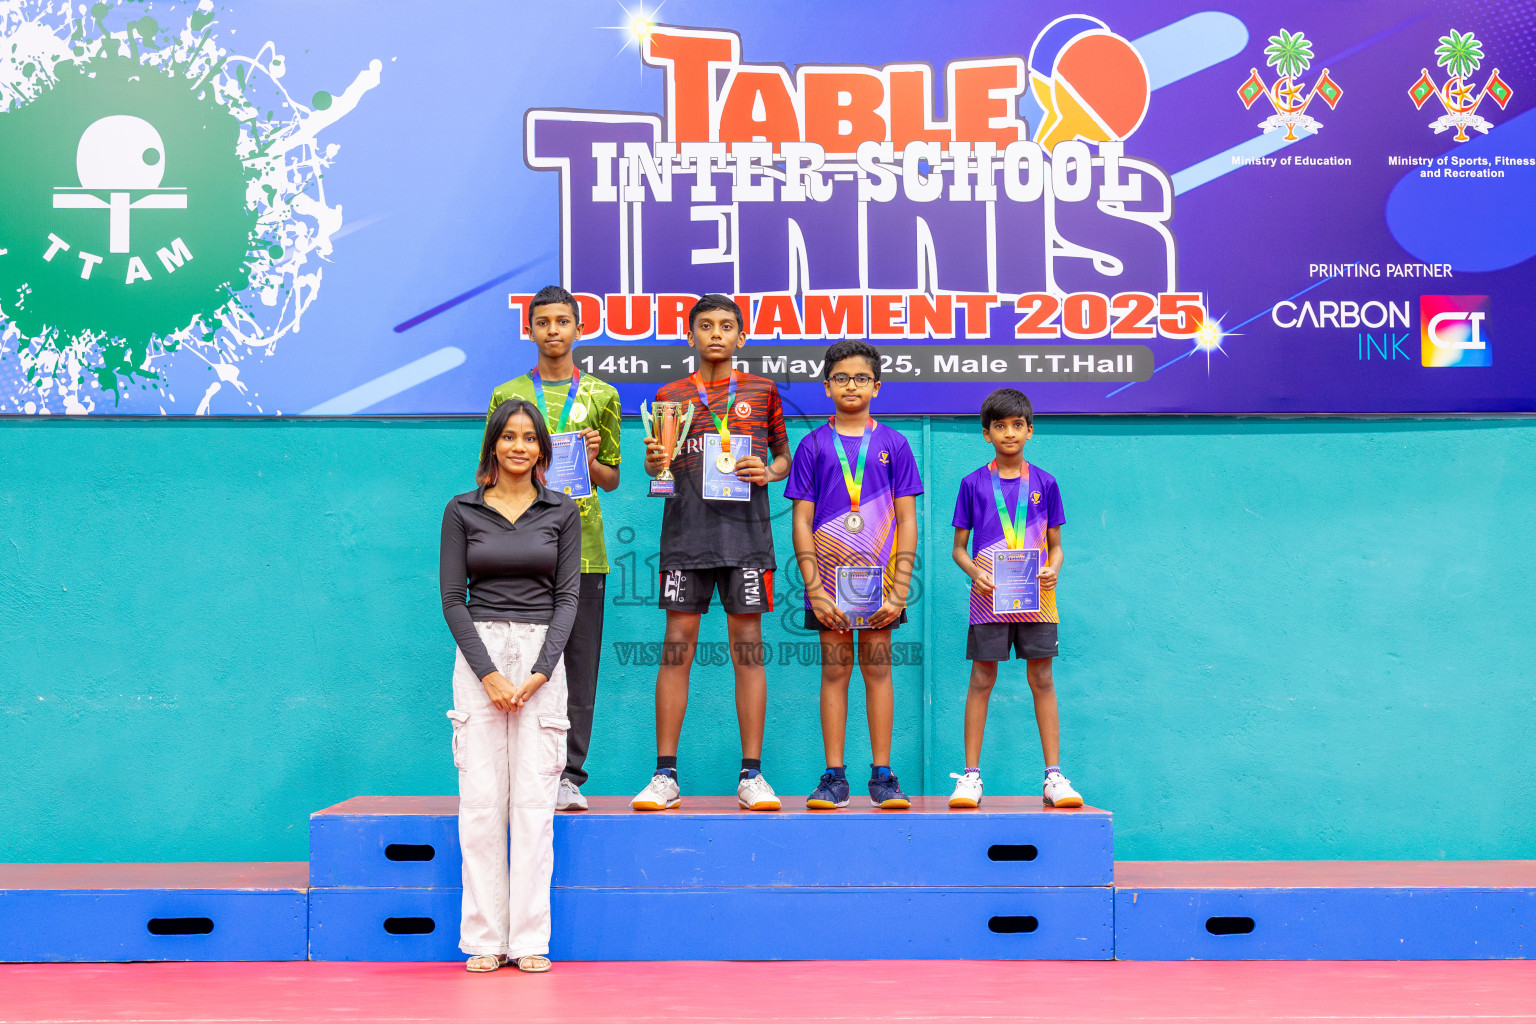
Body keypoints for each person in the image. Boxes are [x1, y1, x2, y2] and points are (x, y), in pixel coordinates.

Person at [630, 294, 792, 812]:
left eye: (727, 326)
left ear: (742, 337)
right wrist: (655, 460)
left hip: (746, 536)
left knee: (747, 642)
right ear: (690, 336)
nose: (716, 334)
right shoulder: (671, 394)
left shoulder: (763, 391)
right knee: (677, 642)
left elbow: (784, 456)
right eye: (706, 326)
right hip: (686, 536)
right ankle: (664, 775)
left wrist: (768, 471)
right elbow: (659, 470)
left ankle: (751, 775)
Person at [439, 399, 581, 973]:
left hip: (544, 657)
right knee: (480, 805)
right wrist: (490, 673)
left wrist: (541, 671)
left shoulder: (562, 510)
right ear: (493, 445)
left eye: (530, 438)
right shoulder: (462, 510)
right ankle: (483, 940)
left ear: (542, 450)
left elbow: (568, 598)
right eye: (509, 437)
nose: (519, 447)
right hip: (480, 657)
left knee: (533, 807)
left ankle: (528, 941)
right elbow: (453, 599)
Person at [488, 285, 622, 812]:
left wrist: (590, 459)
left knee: (579, 668)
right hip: (520, 552)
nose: (552, 330)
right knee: (515, 662)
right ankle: (512, 772)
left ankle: (569, 776)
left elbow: (611, 480)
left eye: (562, 321)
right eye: (542, 322)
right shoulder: (507, 395)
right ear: (530, 329)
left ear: (578, 328)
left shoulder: (603, 396)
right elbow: (493, 469)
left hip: (584, 551)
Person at [786, 340, 922, 810]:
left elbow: (908, 520)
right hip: (828, 585)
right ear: (826, 387)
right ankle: (834, 776)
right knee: (835, 672)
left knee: (878, 669)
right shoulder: (812, 444)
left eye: (861, 377)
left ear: (877, 387)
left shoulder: (894, 444)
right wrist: (814, 589)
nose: (851, 385)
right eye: (841, 377)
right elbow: (801, 520)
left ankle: (883, 775)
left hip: (882, 585)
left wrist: (900, 587)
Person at [948, 388, 1082, 810]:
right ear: (986, 434)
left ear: (1030, 431)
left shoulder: (1045, 482)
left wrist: (1054, 567)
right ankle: (970, 777)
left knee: (1042, 679)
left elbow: (1057, 546)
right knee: (982, 679)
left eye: (1017, 425)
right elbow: (958, 549)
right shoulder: (972, 483)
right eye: (1000, 426)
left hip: (1038, 597)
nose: (1009, 433)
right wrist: (976, 573)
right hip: (988, 599)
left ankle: (1053, 776)